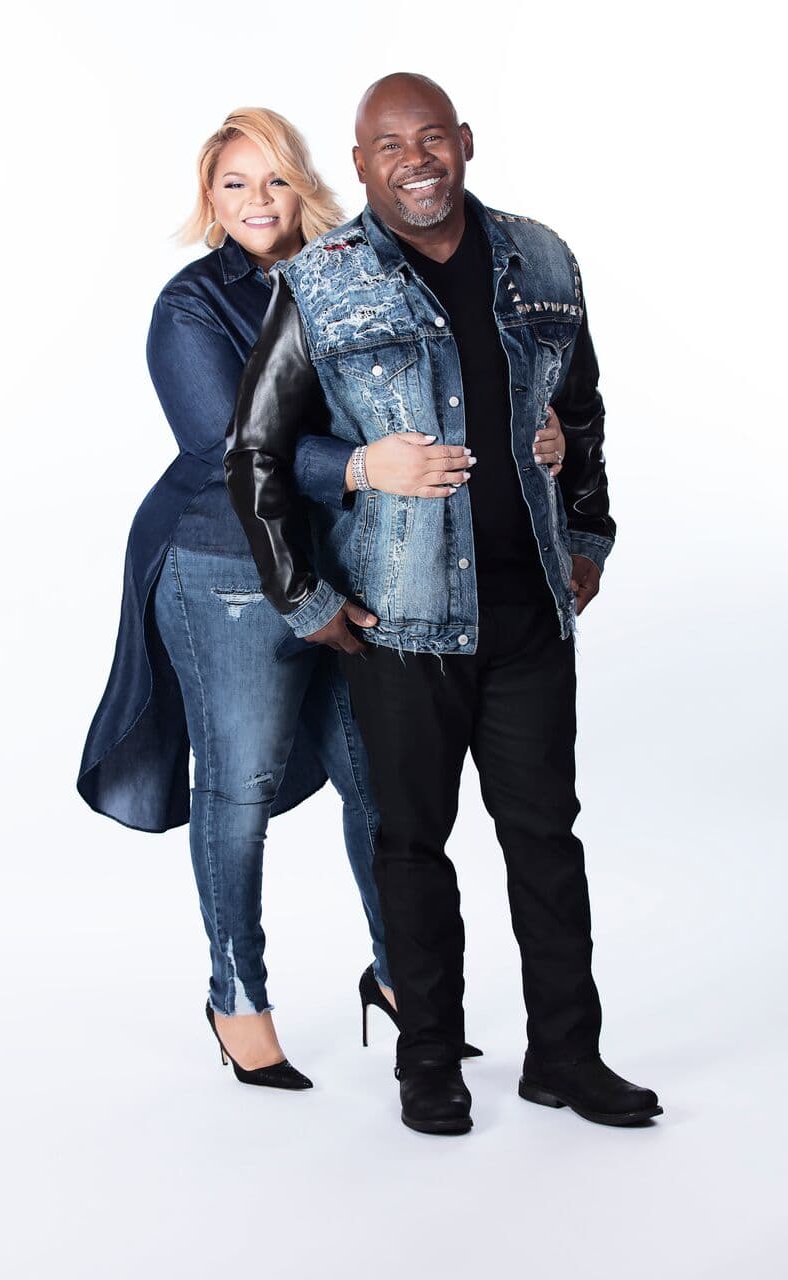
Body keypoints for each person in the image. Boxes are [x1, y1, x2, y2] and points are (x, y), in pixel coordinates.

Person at [78, 108, 551, 1087]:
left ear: (306, 185)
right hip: (224, 568)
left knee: (377, 779)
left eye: (274, 180)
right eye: (233, 183)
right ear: (209, 198)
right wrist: (363, 465)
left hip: (346, 561)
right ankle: (236, 996)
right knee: (240, 785)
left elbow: (429, 385)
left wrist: (531, 433)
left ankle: (398, 976)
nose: (256, 201)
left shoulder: (355, 274)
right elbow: (227, 448)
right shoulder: (190, 307)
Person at [225, 74, 662, 1132]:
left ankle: (565, 1057)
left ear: (463, 142)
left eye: (430, 138)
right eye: (388, 145)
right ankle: (427, 1061)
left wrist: (587, 534)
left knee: (545, 840)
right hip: (402, 620)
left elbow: (582, 410)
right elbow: (256, 452)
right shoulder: (322, 278)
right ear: (360, 164)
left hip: (529, 616)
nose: (414, 160)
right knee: (411, 847)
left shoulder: (540, 257)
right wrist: (303, 597)